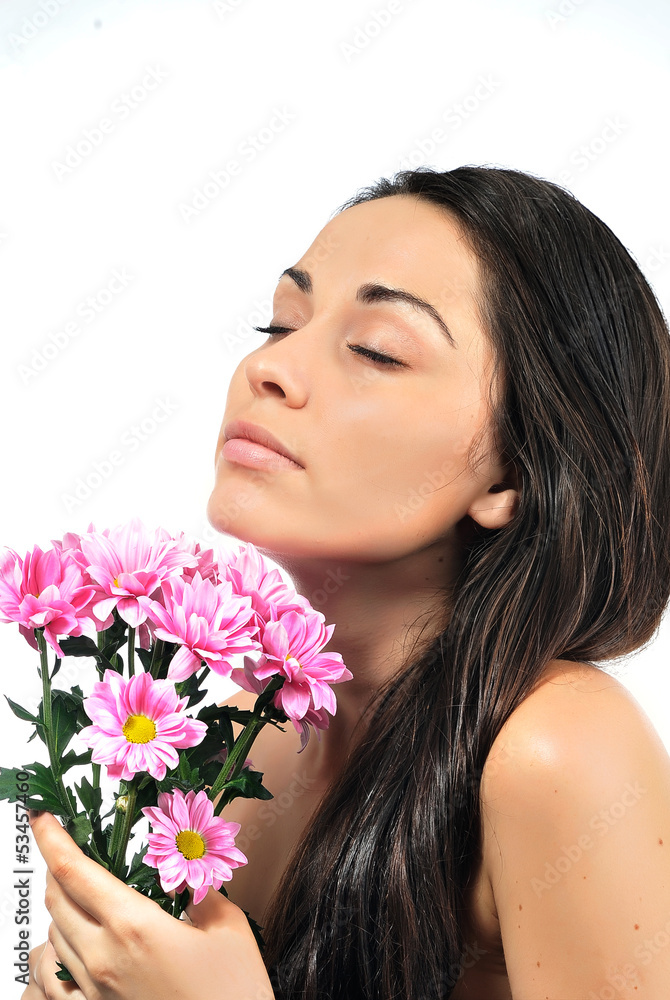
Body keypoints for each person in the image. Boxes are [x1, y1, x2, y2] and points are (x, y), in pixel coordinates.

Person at [24, 165, 670, 999]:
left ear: (516, 469)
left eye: (375, 349)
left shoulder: (558, 752)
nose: (272, 369)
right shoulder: (233, 736)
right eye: (279, 323)